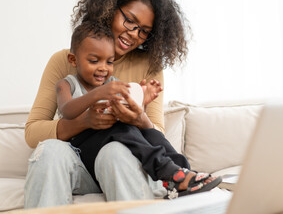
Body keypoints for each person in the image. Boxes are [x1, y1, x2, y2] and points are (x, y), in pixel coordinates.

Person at [24, 0, 220, 208]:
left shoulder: (149, 66)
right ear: (109, 8)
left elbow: (153, 129)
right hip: (77, 160)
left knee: (115, 150)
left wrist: (140, 115)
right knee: (50, 151)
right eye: (130, 21)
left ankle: (175, 173)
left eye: (144, 31)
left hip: (123, 161)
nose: (134, 34)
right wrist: (87, 121)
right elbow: (33, 132)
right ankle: (175, 172)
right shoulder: (65, 62)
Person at [56, 21, 222, 199]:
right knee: (122, 129)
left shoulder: (112, 82)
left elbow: (128, 116)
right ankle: (168, 171)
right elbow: (67, 111)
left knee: (142, 129)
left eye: (110, 61)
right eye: (94, 61)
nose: (103, 67)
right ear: (73, 60)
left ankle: (182, 172)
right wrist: (98, 93)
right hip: (83, 149)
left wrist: (142, 102)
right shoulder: (66, 84)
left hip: (112, 139)